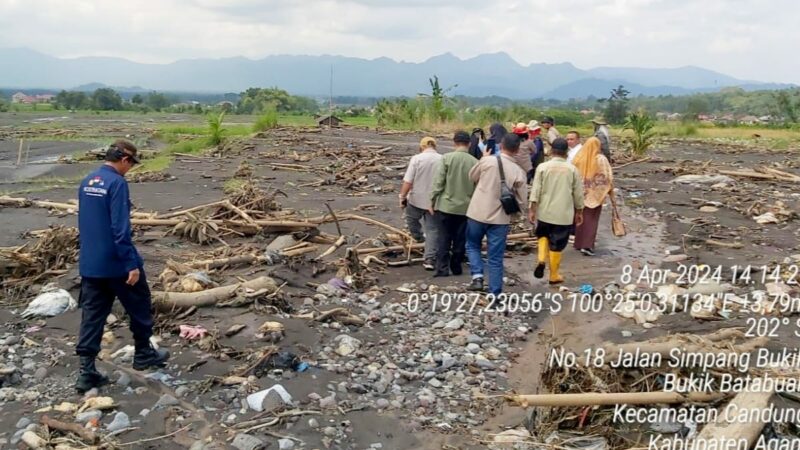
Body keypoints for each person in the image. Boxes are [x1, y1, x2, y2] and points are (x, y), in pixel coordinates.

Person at [75, 140, 169, 393]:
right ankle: (143, 353)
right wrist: (131, 264)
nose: (130, 169)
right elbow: (120, 228)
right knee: (139, 304)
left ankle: (86, 371)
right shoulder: (117, 183)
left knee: (92, 315)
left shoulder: (88, 181)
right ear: (125, 160)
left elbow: (85, 222)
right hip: (117, 262)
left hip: (91, 263)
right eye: (131, 164)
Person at [465, 134, 528, 294]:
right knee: (495, 257)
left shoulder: (488, 161)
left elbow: (471, 176)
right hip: (500, 219)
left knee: (472, 245)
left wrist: (483, 158)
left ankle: (477, 276)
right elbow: (522, 200)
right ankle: (495, 293)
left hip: (478, 212)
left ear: (501, 145)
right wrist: (518, 216)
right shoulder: (519, 171)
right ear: (517, 150)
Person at [528, 138, 584, 285]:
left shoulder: (542, 167)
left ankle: (541, 259)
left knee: (542, 235)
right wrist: (579, 210)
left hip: (545, 211)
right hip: (563, 215)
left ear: (552, 150)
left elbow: (536, 190)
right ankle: (553, 275)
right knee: (557, 244)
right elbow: (578, 193)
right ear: (566, 152)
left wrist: (532, 209)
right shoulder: (572, 169)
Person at [429, 131, 478, 277]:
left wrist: (432, 200)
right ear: (469, 144)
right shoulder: (474, 162)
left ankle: (442, 269)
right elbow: (477, 186)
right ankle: (456, 266)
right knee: (460, 238)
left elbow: (439, 182)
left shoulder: (447, 158)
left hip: (446, 206)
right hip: (465, 207)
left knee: (443, 238)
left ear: (454, 143)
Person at [400, 136, 443, 270]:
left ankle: (418, 237)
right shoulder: (442, 159)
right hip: (435, 201)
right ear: (434, 146)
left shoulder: (417, 159)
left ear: (422, 146)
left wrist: (403, 196)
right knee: (433, 230)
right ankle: (429, 259)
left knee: (411, 220)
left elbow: (408, 181)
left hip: (416, 199)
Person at [571, 137, 614, 256]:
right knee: (591, 220)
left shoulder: (579, 157)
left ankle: (578, 243)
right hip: (594, 195)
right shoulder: (600, 159)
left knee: (580, 218)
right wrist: (606, 190)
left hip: (579, 193)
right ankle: (587, 245)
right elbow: (607, 176)